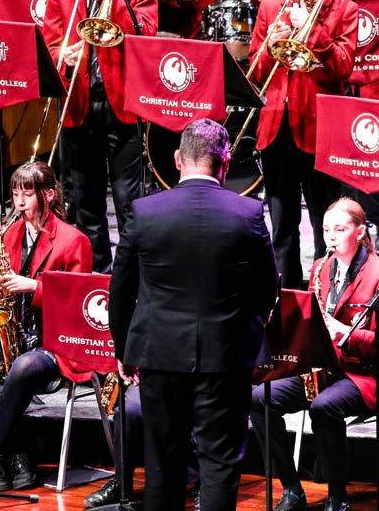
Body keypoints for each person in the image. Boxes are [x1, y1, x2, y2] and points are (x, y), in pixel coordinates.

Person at [109, 118, 278, 511]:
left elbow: (121, 290)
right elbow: (267, 291)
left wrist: (123, 349)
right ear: (226, 162)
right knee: (220, 463)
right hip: (227, 357)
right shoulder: (248, 212)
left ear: (176, 159)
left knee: (162, 463)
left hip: (158, 353)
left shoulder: (145, 211)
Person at [250, 198, 379, 511]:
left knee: (324, 406)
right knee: (260, 399)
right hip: (323, 368)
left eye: (339, 229)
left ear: (360, 232)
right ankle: (291, 489)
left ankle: (338, 497)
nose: (331, 236)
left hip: (364, 373)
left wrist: (345, 332)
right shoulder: (320, 267)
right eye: (327, 229)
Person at [42, 0, 158, 272]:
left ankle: (131, 275)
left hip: (121, 102)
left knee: (127, 198)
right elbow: (50, 41)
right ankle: (96, 276)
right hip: (78, 101)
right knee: (84, 200)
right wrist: (63, 53)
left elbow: (147, 34)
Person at [248, 0, 358, 288]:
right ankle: (287, 294)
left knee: (326, 224)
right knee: (282, 225)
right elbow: (256, 70)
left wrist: (314, 31)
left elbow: (343, 67)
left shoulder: (343, 9)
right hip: (276, 127)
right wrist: (271, 45)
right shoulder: (271, 7)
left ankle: (325, 291)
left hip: (318, 128)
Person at [0, 162, 92, 492]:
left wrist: (35, 287)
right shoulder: (8, 235)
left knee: (23, 368)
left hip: (58, 343)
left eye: (27, 193)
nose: (19, 201)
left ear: (48, 194)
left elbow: (79, 305)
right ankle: (16, 453)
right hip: (17, 335)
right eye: (14, 193)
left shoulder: (74, 241)